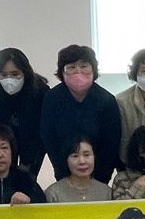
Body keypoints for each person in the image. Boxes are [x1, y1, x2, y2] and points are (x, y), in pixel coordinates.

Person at [39, 44, 122, 182]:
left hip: (100, 173)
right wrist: (61, 169)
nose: (78, 72)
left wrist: (101, 176)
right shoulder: (52, 98)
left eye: (84, 66)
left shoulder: (106, 100)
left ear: (93, 69)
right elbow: (48, 136)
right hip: (63, 171)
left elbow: (111, 142)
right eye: (71, 67)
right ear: (62, 71)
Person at [0, 47, 50, 178]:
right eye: (3, 75)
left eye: (15, 74)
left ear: (25, 72)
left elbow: (40, 131)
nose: (9, 79)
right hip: (1, 145)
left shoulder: (40, 91)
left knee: (27, 181)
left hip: (32, 144)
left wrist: (27, 162)